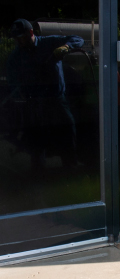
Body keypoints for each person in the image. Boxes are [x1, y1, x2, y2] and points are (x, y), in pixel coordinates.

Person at [7, 18, 84, 170]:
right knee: (36, 138)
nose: (19, 41)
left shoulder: (48, 43)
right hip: (35, 102)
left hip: (56, 99)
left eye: (22, 37)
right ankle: (38, 172)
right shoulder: (16, 56)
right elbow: (12, 79)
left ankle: (70, 166)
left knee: (67, 130)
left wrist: (66, 47)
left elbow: (78, 39)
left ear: (30, 33)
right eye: (17, 39)